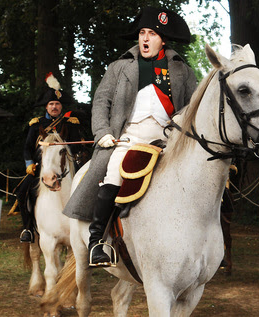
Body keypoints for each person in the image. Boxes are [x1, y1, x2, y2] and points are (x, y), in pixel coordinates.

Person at [61, 6, 197, 267]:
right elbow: (101, 100)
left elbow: (192, 108)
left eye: (152, 34)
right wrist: (102, 132)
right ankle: (97, 242)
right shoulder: (119, 67)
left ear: (163, 40)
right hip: (127, 138)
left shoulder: (183, 71)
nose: (145, 39)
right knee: (113, 174)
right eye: (142, 33)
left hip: (169, 141)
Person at [14, 73, 90, 243]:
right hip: (41, 167)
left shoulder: (70, 123)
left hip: (66, 165)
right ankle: (28, 228)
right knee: (23, 191)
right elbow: (27, 147)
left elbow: (78, 146)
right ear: (46, 107)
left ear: (61, 106)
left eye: (57, 104)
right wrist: (29, 164)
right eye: (51, 104)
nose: (54, 107)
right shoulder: (36, 125)